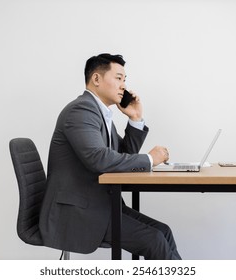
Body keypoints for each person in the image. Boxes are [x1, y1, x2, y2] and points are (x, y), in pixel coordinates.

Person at [39, 53, 182, 260]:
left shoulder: (100, 113)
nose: (123, 86)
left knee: (164, 232)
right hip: (77, 213)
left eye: (125, 80)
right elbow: (99, 159)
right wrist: (149, 160)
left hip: (99, 205)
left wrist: (135, 118)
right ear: (96, 79)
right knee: (155, 240)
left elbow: (120, 157)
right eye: (118, 78)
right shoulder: (81, 110)